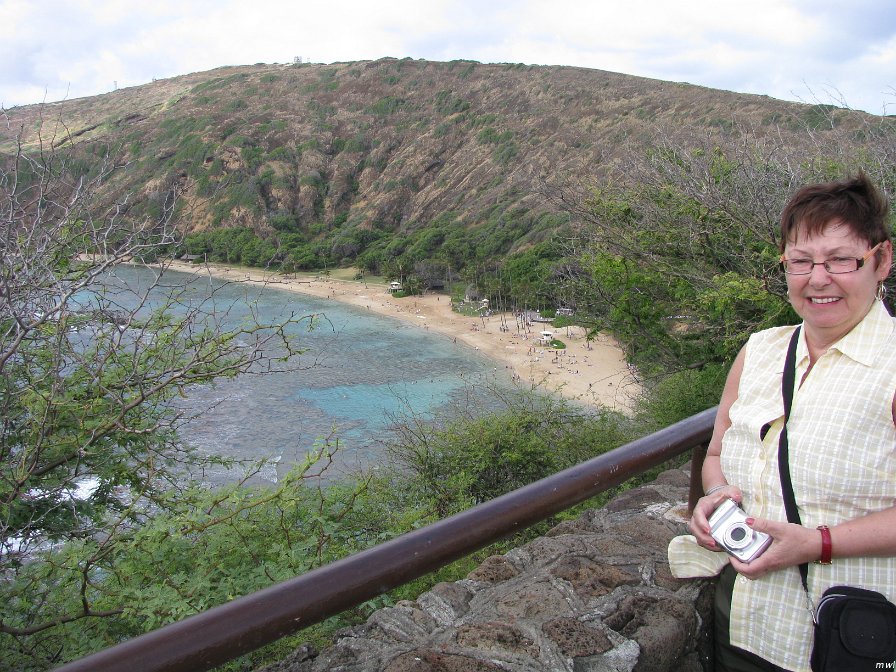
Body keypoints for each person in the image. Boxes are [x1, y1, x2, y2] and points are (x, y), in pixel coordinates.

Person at [686, 172, 896, 671]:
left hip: (853, 634)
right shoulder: (761, 351)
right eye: (801, 261)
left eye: (841, 260)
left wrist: (819, 543)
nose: (818, 279)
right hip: (747, 625)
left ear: (881, 260)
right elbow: (716, 453)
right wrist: (717, 497)